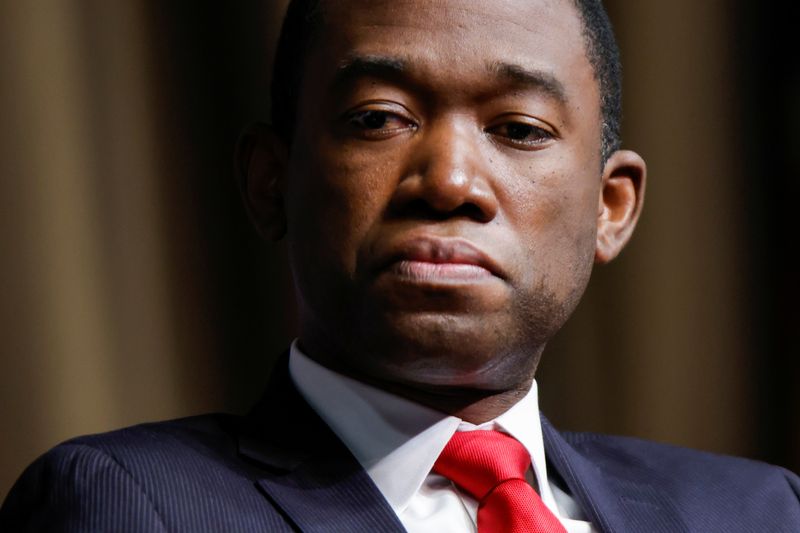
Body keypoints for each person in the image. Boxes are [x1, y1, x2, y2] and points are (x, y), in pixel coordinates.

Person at [2, 0, 799, 531]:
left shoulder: (763, 511)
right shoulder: (126, 504)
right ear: (270, 183)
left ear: (610, 206)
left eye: (519, 129)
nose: (450, 181)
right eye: (380, 118)